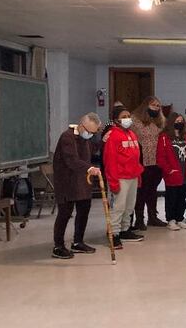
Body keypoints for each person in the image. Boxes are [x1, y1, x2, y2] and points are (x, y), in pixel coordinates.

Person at [51, 113, 102, 259]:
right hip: (67, 182)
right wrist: (89, 168)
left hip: (82, 181)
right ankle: (58, 246)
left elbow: (91, 150)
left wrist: (103, 139)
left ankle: (78, 242)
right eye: (89, 131)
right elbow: (71, 160)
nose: (90, 135)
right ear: (81, 125)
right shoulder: (67, 137)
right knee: (65, 213)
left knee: (84, 211)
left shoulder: (85, 138)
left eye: (93, 132)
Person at [103, 106, 145, 250]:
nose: (128, 118)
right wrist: (113, 181)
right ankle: (113, 234)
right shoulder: (112, 136)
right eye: (124, 116)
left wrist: (138, 175)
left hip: (132, 176)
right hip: (119, 177)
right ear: (116, 120)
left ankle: (125, 230)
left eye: (129, 115)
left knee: (129, 206)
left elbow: (136, 157)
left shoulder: (132, 134)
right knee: (117, 207)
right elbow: (110, 161)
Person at [157, 112, 186, 231]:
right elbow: (160, 157)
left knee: (182, 197)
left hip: (185, 173)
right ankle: (171, 220)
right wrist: (169, 170)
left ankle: (180, 218)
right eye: (177, 121)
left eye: (181, 121)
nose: (179, 123)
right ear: (171, 122)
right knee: (171, 198)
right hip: (173, 174)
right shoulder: (164, 137)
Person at [131, 96, 167, 229]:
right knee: (141, 191)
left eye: (158, 106)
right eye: (153, 105)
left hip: (156, 161)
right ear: (145, 106)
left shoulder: (160, 121)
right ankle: (139, 219)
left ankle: (153, 216)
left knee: (152, 190)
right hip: (142, 160)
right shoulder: (135, 120)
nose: (156, 108)